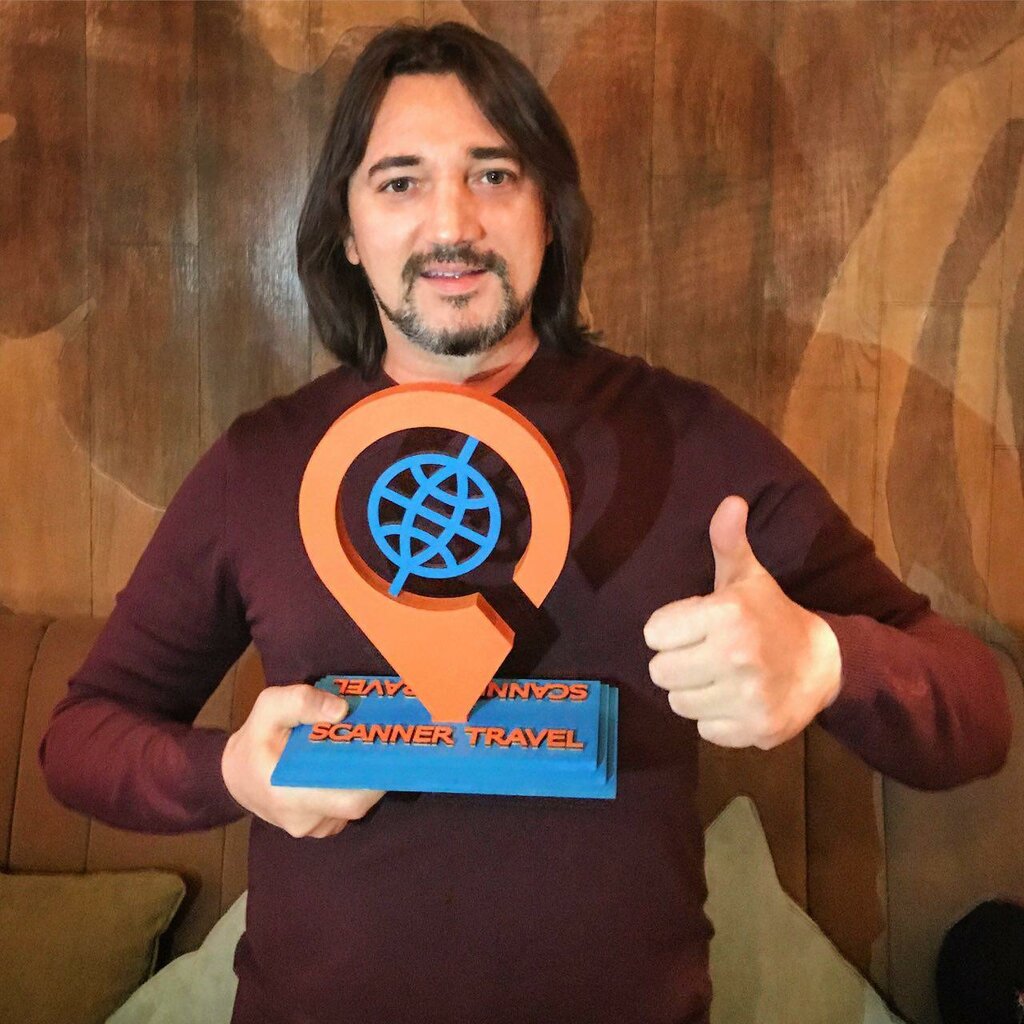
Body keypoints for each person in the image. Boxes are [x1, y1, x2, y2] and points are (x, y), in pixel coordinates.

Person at [40, 22, 1011, 1024]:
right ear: (347, 228)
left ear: (550, 214)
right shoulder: (261, 465)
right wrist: (231, 772)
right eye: (400, 181)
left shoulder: (693, 443)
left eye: (494, 174)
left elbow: (977, 716)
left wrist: (826, 661)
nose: (451, 223)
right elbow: (82, 737)